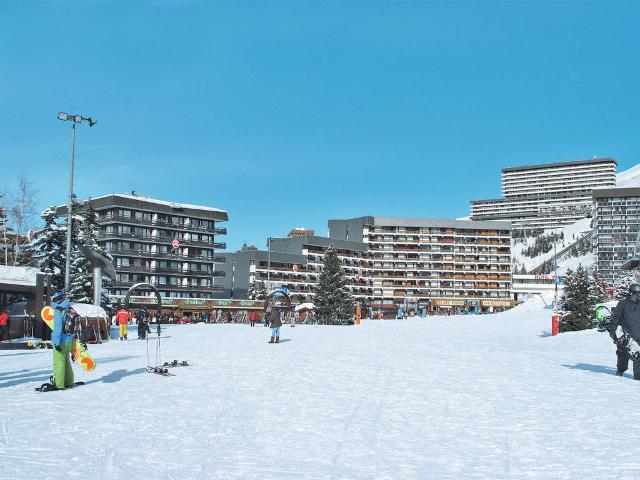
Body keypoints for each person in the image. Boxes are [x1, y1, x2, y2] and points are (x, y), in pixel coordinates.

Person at [609, 283, 640, 379]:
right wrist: (613, 331)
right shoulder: (623, 304)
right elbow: (616, 318)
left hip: (638, 336)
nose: (639, 296)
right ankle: (620, 370)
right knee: (623, 358)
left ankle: (638, 378)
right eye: (637, 294)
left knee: (638, 358)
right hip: (626, 337)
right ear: (631, 293)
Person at [50, 291, 75, 390]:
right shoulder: (69, 308)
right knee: (66, 361)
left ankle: (59, 384)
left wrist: (56, 342)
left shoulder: (58, 309)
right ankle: (69, 381)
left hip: (61, 340)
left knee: (59, 362)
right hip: (69, 340)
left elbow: (58, 327)